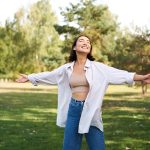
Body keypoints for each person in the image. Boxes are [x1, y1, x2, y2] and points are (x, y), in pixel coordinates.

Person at [16, 35, 150, 150]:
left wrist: (142, 78)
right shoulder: (67, 68)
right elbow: (50, 75)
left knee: (97, 146)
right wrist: (29, 77)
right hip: (73, 109)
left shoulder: (98, 68)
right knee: (70, 147)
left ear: (90, 49)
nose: (85, 42)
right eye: (81, 40)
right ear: (74, 47)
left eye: (88, 42)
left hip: (91, 110)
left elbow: (121, 75)